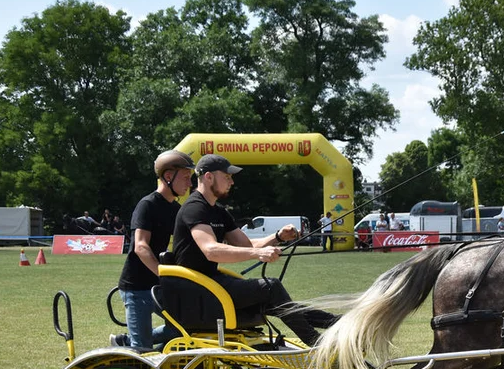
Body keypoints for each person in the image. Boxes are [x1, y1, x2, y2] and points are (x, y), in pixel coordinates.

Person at [172, 154, 335, 347]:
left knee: (272, 299)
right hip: (196, 291)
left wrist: (279, 237)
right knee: (270, 287)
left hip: (211, 284)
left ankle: (335, 322)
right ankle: (316, 343)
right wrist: (258, 254)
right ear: (208, 177)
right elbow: (211, 250)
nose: (231, 182)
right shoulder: (194, 207)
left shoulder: (218, 211)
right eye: (227, 176)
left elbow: (247, 245)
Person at [110, 150, 195, 351]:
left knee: (183, 330)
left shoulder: (175, 209)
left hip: (158, 284)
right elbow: (140, 246)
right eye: (185, 178)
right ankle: (135, 346)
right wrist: (163, 274)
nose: (189, 184)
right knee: (143, 350)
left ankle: (126, 341)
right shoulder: (147, 205)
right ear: (168, 177)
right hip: (136, 287)